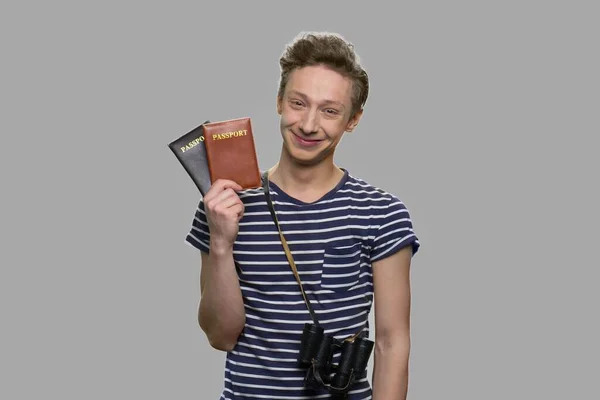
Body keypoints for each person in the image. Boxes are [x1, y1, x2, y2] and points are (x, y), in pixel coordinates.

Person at [185, 31, 420, 400]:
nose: (309, 125)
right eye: (298, 103)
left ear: (353, 119)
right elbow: (220, 336)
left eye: (330, 111)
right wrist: (220, 242)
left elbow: (392, 344)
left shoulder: (382, 213)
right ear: (279, 102)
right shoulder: (223, 205)